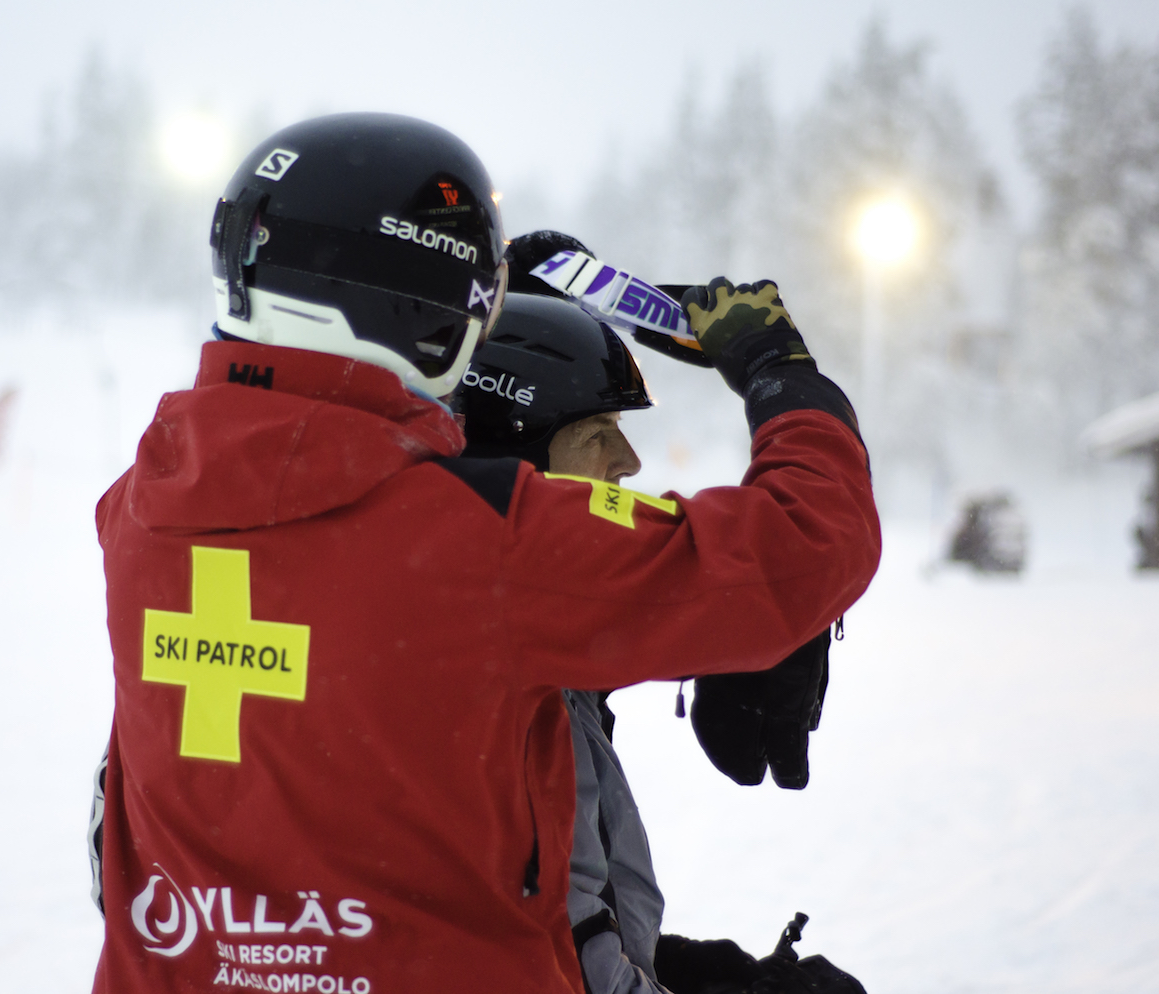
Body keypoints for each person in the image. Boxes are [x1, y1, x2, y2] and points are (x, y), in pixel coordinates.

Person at [87, 112, 879, 994]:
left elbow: (378, 684)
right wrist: (781, 370)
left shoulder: (139, 516)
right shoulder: (487, 544)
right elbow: (810, 540)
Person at [455, 287, 867, 994]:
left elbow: (527, 915)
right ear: (514, 456)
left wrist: (672, 967)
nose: (629, 460)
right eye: (596, 430)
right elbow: (812, 538)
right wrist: (778, 370)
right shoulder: (494, 581)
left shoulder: (471, 601)